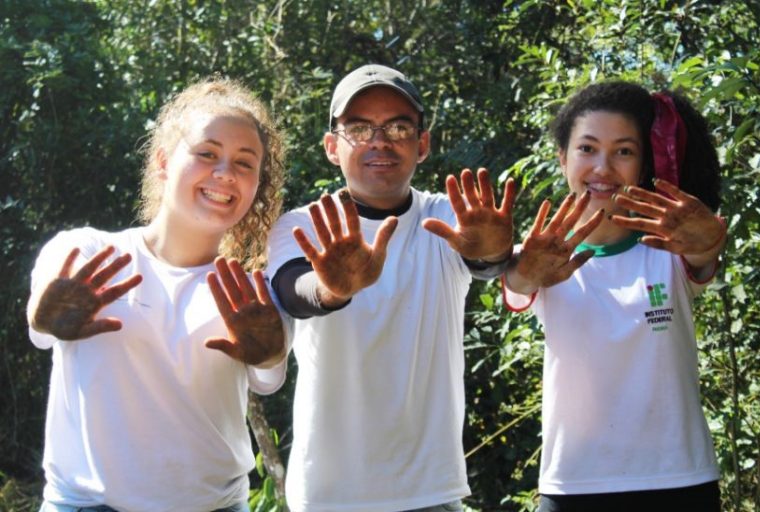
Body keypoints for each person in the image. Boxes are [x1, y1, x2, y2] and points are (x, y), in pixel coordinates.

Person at [27, 77, 290, 512]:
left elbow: (268, 376)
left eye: (245, 163)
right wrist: (46, 314)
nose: (225, 173)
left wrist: (267, 348)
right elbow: (41, 319)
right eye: (207, 154)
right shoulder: (88, 252)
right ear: (164, 162)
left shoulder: (254, 290)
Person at [265, 64, 516, 511]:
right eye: (359, 128)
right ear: (331, 146)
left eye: (398, 126)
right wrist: (331, 289)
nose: (379, 141)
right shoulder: (302, 226)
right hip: (329, 496)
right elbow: (292, 292)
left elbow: (484, 258)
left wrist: (494, 254)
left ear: (422, 145)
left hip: (432, 493)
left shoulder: (444, 217)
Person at [502, 81, 725, 511]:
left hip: (680, 480)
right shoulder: (543, 256)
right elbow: (517, 283)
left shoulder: (668, 248)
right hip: (574, 486)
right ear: (562, 157)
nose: (603, 167)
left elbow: (702, 253)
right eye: (587, 148)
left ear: (642, 164)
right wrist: (523, 271)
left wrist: (710, 241)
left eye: (624, 151)